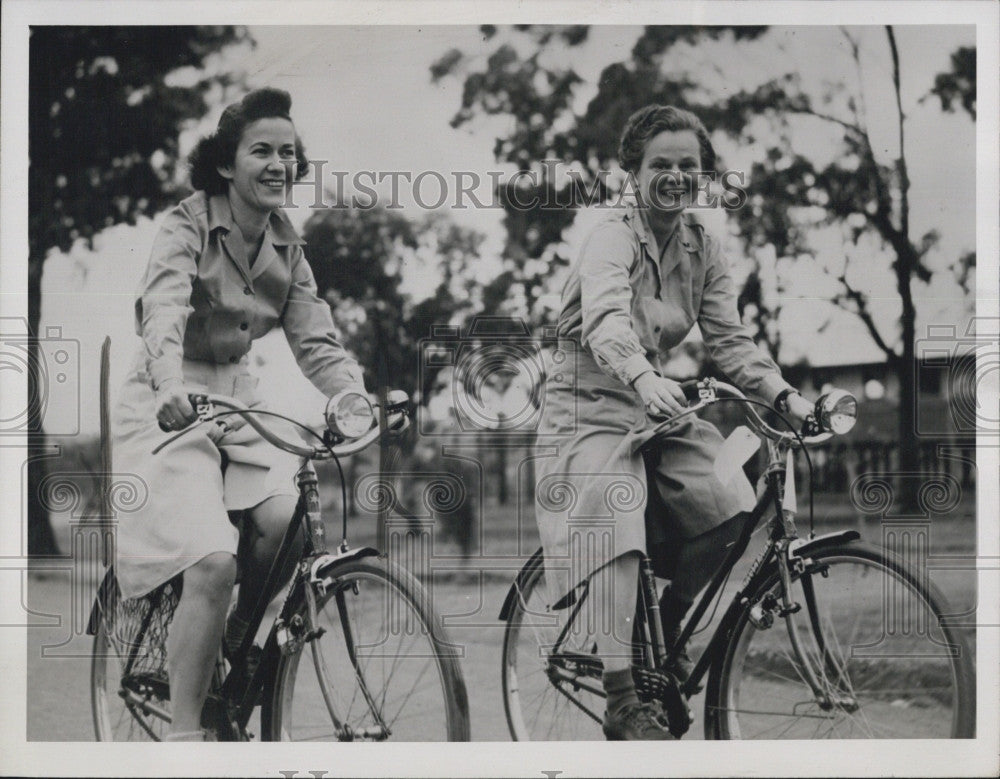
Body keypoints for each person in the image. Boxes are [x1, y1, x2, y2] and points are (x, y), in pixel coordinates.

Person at [533, 104, 814, 740]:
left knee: (734, 497)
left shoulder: (703, 245)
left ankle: (667, 630)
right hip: (590, 401)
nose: (675, 175)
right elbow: (604, 319)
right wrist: (642, 375)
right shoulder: (612, 234)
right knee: (617, 509)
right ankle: (623, 695)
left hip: (658, 400)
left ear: (704, 175)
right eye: (660, 164)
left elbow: (732, 342)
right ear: (632, 172)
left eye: (688, 165)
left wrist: (789, 398)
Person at [111, 88, 367, 741]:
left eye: (289, 152)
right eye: (262, 150)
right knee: (213, 560)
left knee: (286, 524)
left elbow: (316, 339)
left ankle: (235, 648)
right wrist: (169, 382)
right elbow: (162, 311)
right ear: (227, 164)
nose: (280, 163)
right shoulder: (187, 224)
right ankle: (186, 736)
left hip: (236, 395)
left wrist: (351, 394)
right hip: (167, 400)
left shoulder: (286, 243)